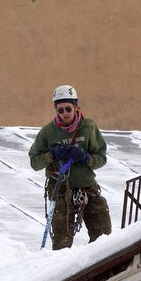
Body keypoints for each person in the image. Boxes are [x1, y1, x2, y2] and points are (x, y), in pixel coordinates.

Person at [28, 84, 111, 250]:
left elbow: (101, 158)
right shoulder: (48, 132)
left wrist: (86, 158)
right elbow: (35, 162)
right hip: (60, 190)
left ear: (76, 107)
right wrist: (52, 154)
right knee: (62, 242)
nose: (65, 113)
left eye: (68, 109)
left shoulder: (88, 128)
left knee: (104, 236)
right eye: (60, 110)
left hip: (86, 188)